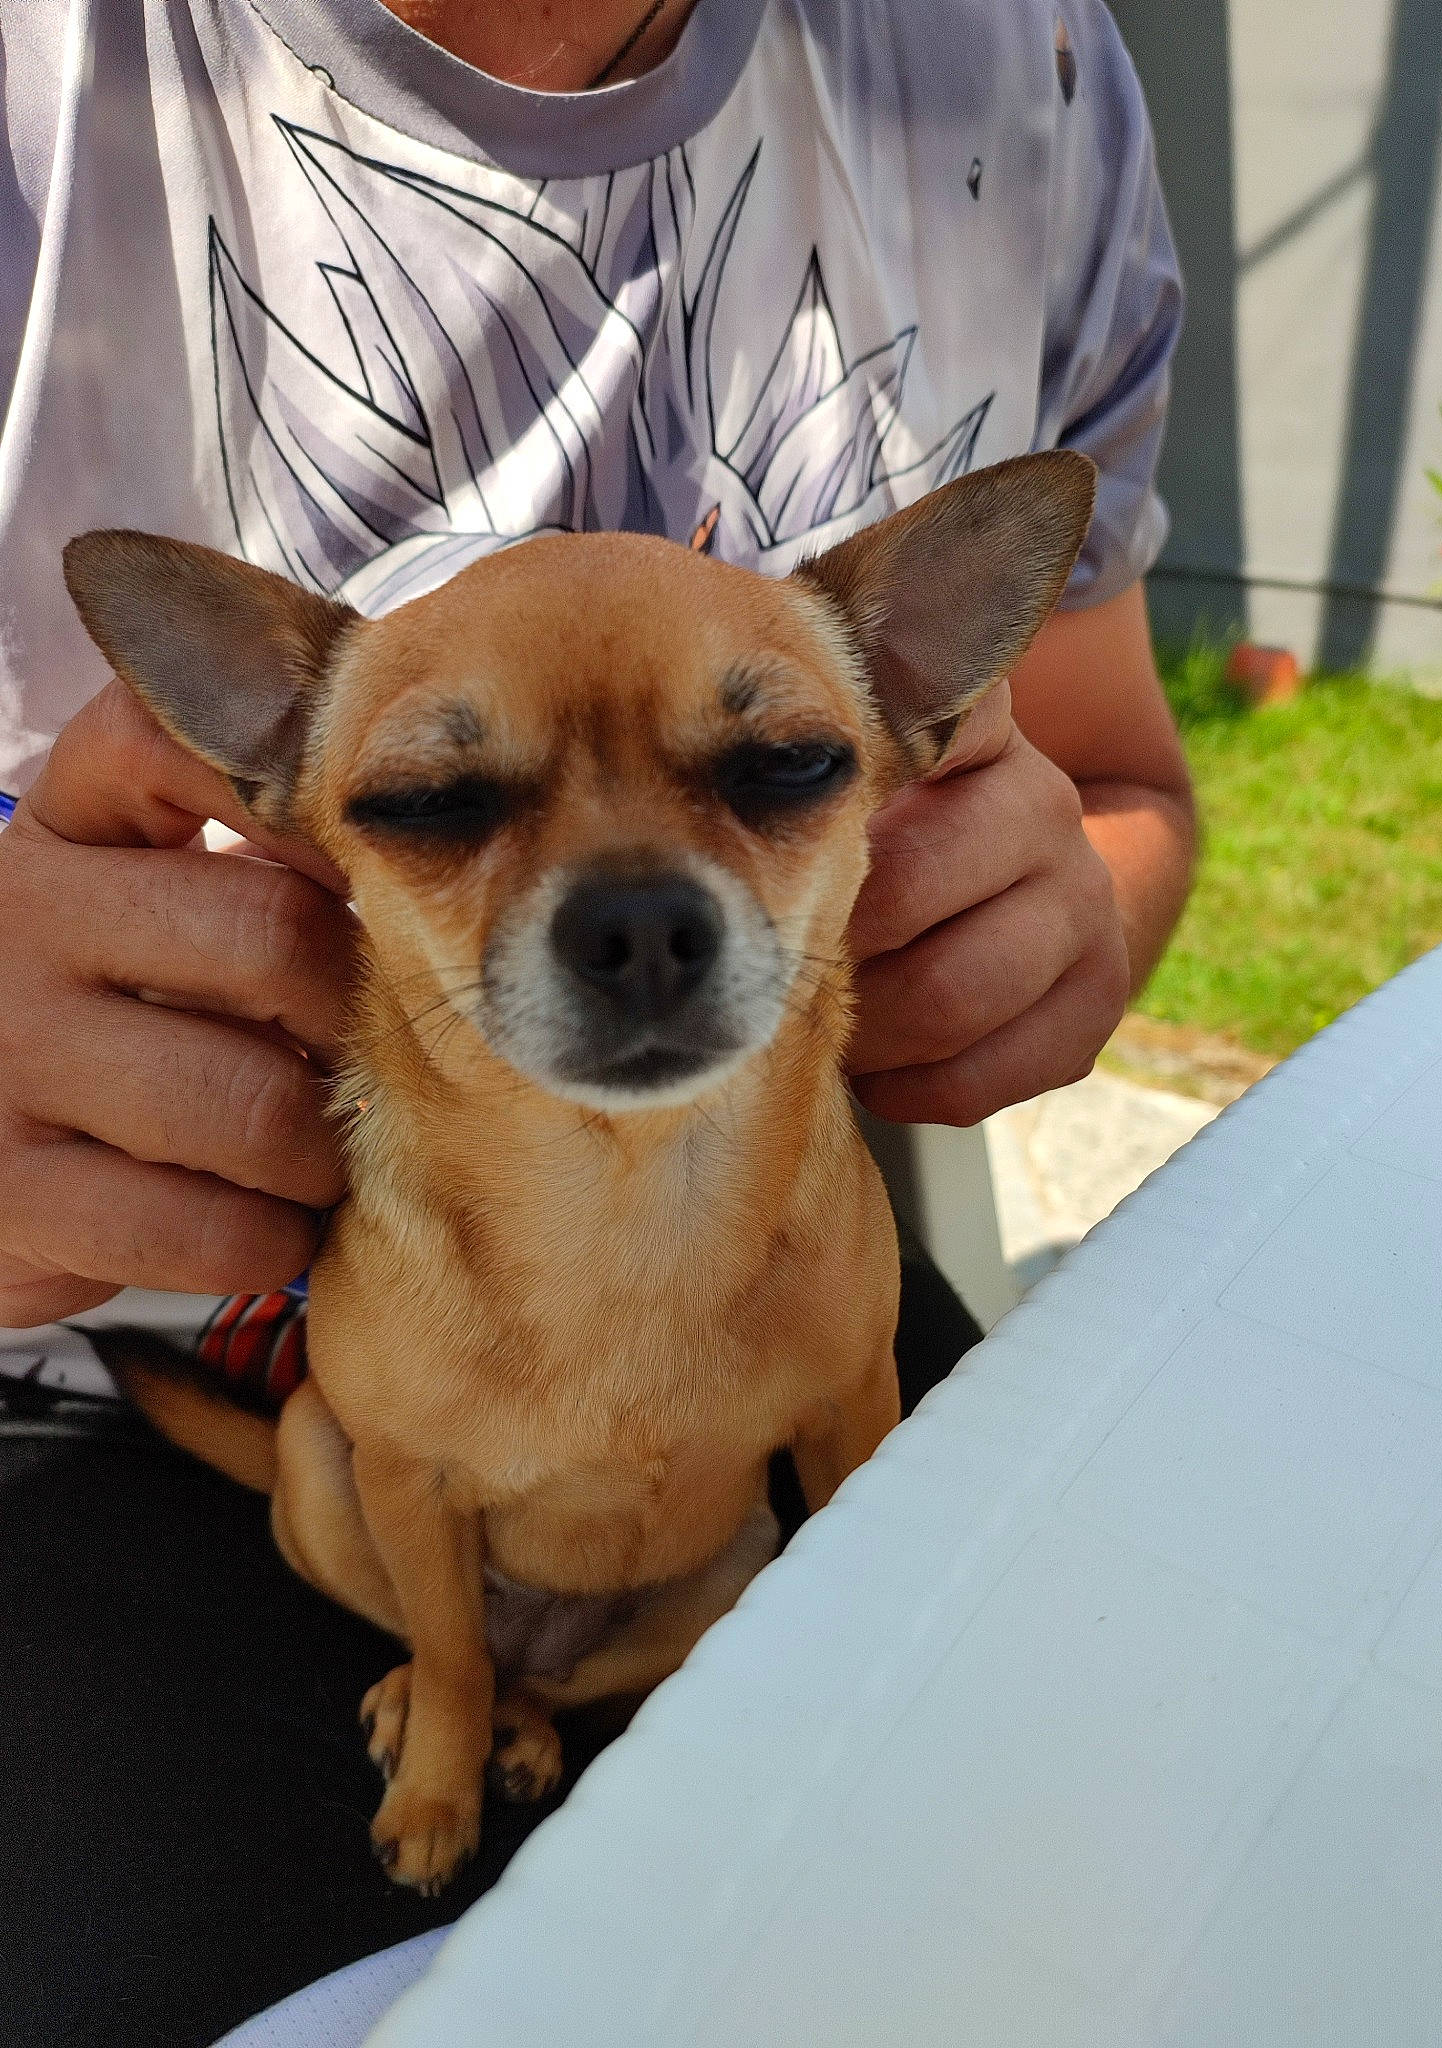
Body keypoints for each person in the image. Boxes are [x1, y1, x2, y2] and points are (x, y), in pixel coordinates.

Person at [0, 1, 1194, 2039]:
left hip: (785, 1310)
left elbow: (1117, 781)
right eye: (449, 806)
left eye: (779, 775)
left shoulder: (1025, 65)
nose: (630, 912)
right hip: (117, 1396)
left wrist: (1084, 899)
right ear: (280, 765)